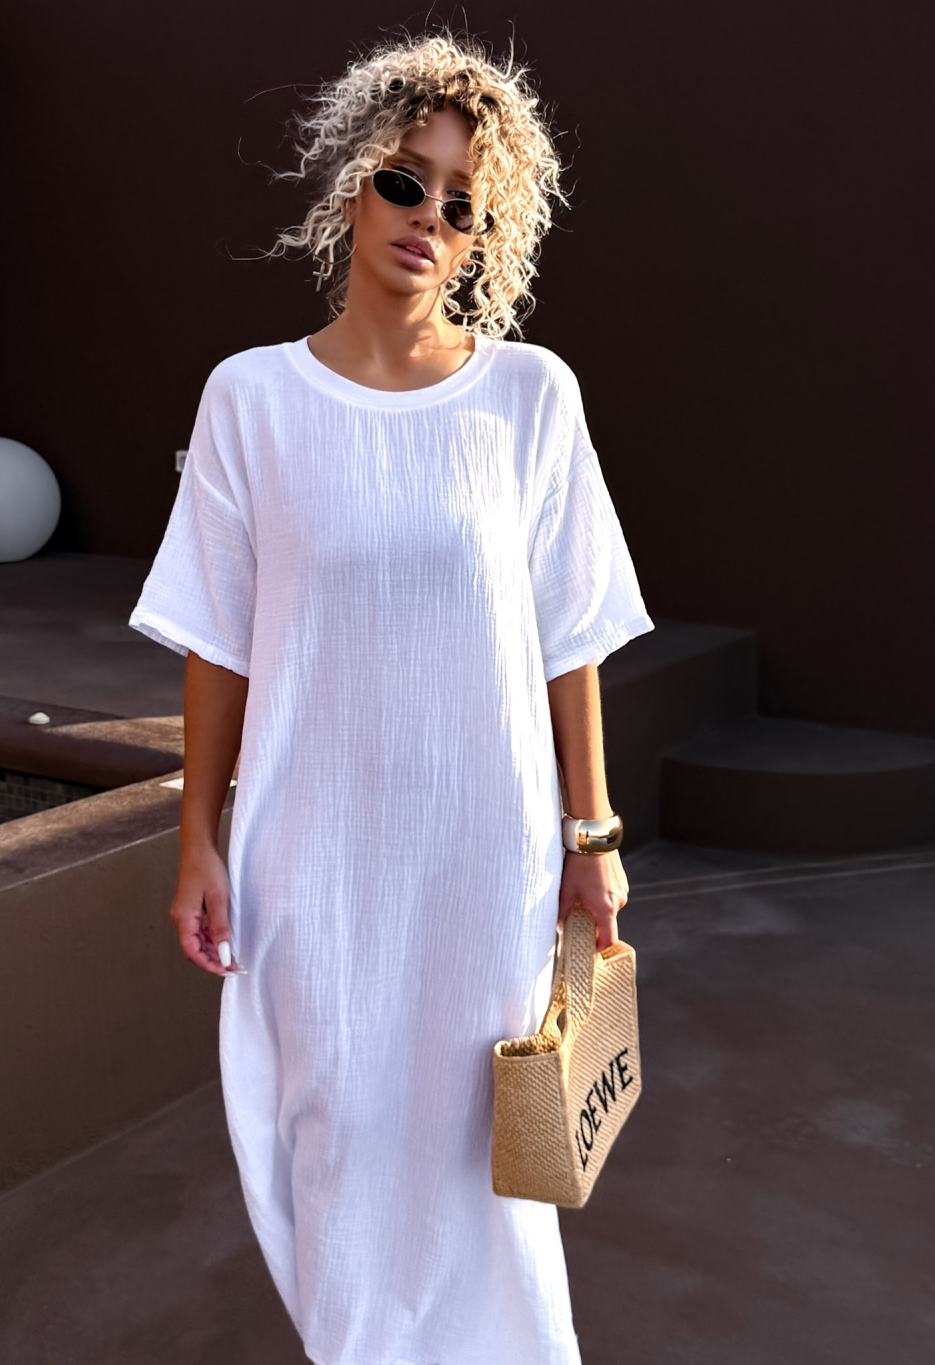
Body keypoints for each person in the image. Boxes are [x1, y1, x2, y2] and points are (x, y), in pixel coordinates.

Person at [129, 28, 654, 1365]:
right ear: (353, 184)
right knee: (335, 1139)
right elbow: (218, 643)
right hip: (311, 852)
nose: (430, 217)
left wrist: (591, 837)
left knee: (482, 1154)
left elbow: (571, 640)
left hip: (484, 854)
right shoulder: (253, 399)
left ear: (489, 235)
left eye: (464, 203)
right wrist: (199, 837)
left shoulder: (529, 399)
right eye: (408, 181)